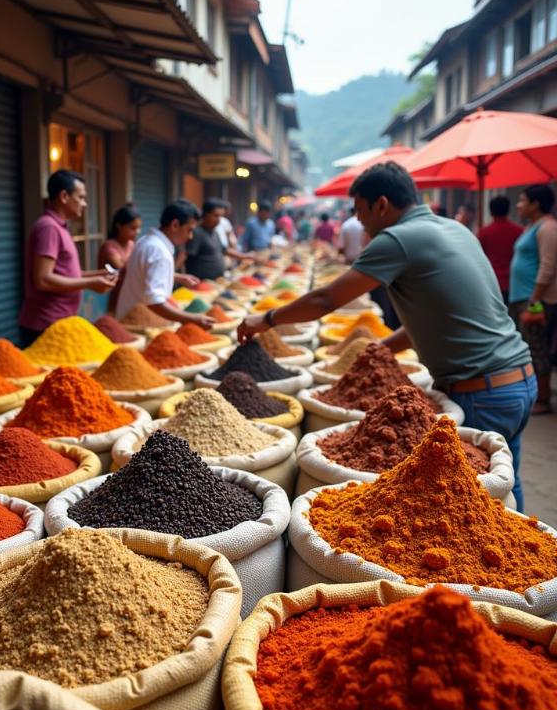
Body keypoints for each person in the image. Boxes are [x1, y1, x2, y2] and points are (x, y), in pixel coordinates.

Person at [238, 162, 535, 510]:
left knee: (466, 507)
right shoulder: (454, 229)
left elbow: (326, 299)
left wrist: (266, 318)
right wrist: (378, 350)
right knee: (504, 486)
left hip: (480, 391)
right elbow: (436, 318)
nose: (359, 220)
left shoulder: (397, 238)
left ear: (381, 204)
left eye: (360, 210)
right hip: (518, 381)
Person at [18, 169, 117, 346]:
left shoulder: (59, 227)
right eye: (81, 197)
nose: (85, 204)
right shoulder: (48, 228)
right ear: (64, 196)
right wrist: (90, 284)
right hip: (46, 325)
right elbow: (43, 279)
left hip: (59, 322)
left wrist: (96, 275)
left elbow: (66, 274)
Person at [115, 199, 215, 328]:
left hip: (126, 319)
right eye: (189, 230)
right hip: (141, 326)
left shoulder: (145, 241)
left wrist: (176, 276)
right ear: (175, 225)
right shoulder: (160, 252)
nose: (190, 237)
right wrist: (192, 318)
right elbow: (154, 301)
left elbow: (142, 272)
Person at [510, 184, 557, 414]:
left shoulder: (548, 227)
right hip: (523, 297)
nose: (518, 205)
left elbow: (548, 267)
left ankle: (544, 399)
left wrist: (534, 301)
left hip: (535, 300)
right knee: (528, 346)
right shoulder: (531, 227)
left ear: (535, 204)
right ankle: (535, 394)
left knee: (537, 347)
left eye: (522, 200)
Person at [179, 199, 246, 280]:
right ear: (205, 215)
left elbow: (224, 250)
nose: (219, 220)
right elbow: (184, 255)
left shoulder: (215, 232)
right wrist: (177, 276)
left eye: (220, 216)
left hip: (215, 282)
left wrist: (246, 256)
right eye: (216, 216)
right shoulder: (197, 233)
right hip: (200, 284)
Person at [477, 195, 523, 304]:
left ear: (491, 211)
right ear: (508, 210)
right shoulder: (519, 231)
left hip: (491, 282)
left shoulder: (484, 233)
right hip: (514, 283)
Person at [98, 204, 141, 312]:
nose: (137, 232)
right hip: (111, 299)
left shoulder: (132, 244)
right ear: (119, 226)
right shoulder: (109, 246)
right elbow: (122, 269)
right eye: (132, 228)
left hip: (129, 297)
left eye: (138, 228)